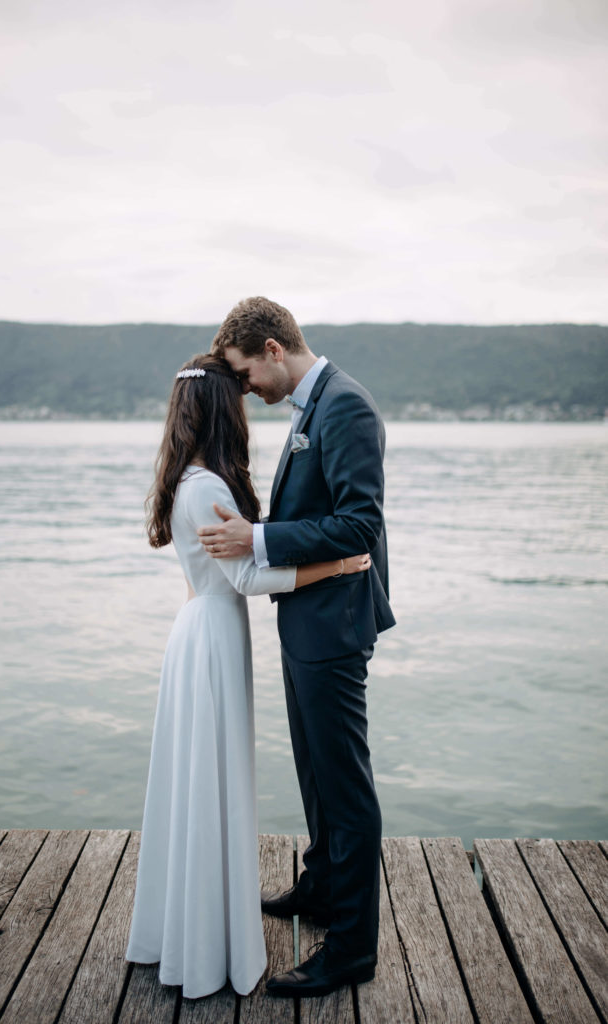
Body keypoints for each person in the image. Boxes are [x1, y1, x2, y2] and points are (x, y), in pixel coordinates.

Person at [125, 352, 370, 1000]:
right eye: (233, 398)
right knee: (211, 779)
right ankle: (208, 942)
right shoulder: (207, 486)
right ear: (216, 410)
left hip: (198, 628)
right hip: (211, 636)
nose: (244, 406)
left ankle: (192, 924)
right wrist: (338, 569)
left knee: (199, 782)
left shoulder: (189, 478)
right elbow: (244, 576)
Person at [197, 297, 395, 998]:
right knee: (314, 769)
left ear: (273, 349)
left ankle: (351, 950)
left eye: (246, 370)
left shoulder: (343, 406)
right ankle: (320, 890)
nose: (245, 385)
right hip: (308, 616)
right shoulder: (312, 408)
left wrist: (258, 538)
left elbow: (357, 524)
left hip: (335, 622)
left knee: (343, 783)